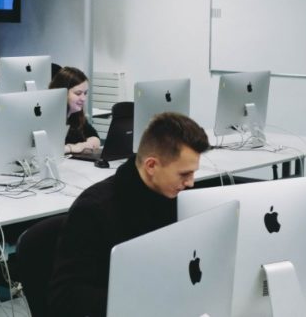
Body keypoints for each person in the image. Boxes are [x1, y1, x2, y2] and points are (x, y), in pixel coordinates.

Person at [48, 112, 210, 317]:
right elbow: (65, 297)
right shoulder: (93, 210)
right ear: (151, 165)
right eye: (184, 174)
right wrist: (141, 302)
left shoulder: (174, 196)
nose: (191, 182)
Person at [49, 67, 101, 156]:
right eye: (78, 93)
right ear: (62, 92)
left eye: (85, 93)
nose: (83, 98)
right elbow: (48, 151)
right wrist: (72, 148)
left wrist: (81, 146)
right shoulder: (49, 117)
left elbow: (95, 139)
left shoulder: (75, 114)